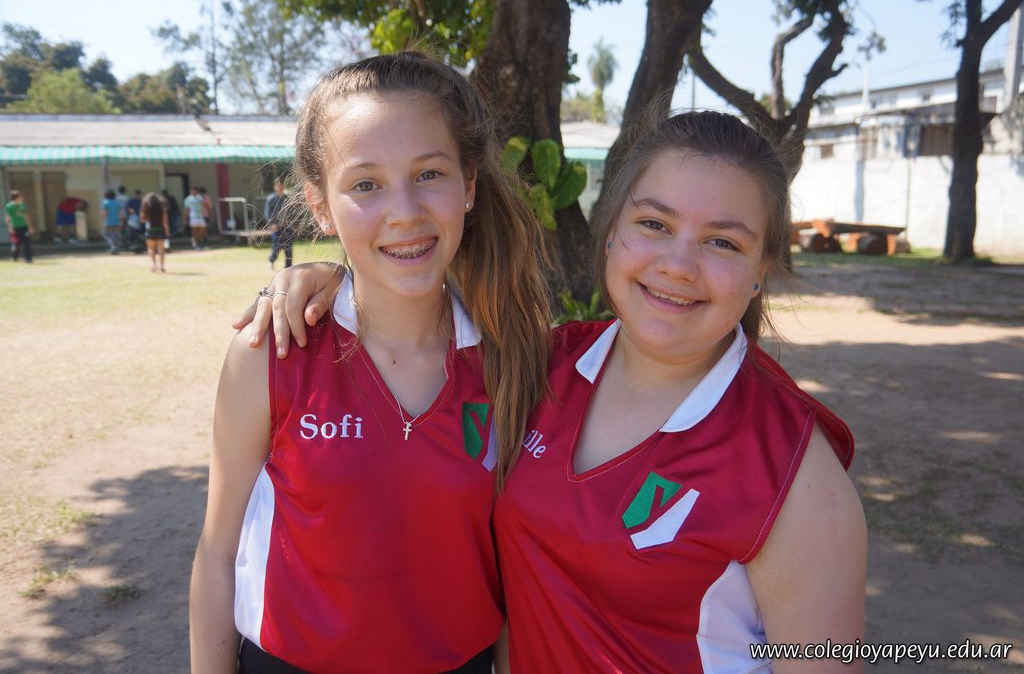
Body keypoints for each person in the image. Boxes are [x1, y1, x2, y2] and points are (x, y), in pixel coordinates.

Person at [244, 111, 867, 673]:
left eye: (723, 242)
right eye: (654, 224)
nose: (678, 264)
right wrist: (325, 277)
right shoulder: (539, 364)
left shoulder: (794, 470)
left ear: (761, 271)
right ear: (611, 231)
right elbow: (411, 304)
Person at [190, 51, 551, 674]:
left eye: (429, 173)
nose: (404, 210)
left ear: (468, 186)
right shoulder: (272, 350)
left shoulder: (516, 359)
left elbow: (515, 570)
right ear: (319, 203)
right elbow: (218, 552)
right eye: (365, 184)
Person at [264, 178, 293, 269]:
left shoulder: (287, 198)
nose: (280, 187)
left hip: (287, 227)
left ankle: (288, 267)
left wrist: (291, 222)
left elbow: (291, 212)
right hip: (276, 228)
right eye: (278, 185)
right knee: (276, 247)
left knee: (288, 248)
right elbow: (267, 213)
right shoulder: (271, 199)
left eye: (281, 185)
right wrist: (272, 224)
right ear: (275, 187)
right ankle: (271, 260)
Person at [141, 192, 170, 273]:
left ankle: (154, 264)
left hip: (150, 231)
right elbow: (165, 223)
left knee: (151, 249)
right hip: (160, 230)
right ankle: (162, 266)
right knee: (161, 249)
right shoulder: (162, 210)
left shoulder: (145, 209)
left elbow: (142, 220)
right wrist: (167, 232)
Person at [5, 189, 34, 263]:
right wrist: (10, 228)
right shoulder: (9, 206)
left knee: (26, 241)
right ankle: (14, 257)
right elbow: (8, 218)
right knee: (16, 243)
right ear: (16, 197)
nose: (22, 198)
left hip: (23, 226)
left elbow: (26, 216)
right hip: (14, 227)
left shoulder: (22, 205)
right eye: (20, 196)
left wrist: (30, 227)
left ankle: (28, 258)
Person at [100, 189, 122, 255]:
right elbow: (121, 213)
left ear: (106, 196)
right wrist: (121, 221)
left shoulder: (105, 202)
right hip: (117, 221)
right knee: (116, 236)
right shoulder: (117, 203)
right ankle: (116, 250)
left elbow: (104, 213)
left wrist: (101, 221)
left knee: (106, 234)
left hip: (108, 222)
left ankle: (113, 246)